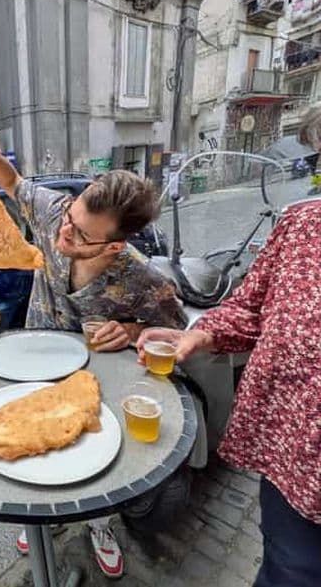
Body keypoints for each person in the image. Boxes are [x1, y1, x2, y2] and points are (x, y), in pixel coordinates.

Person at [0, 140, 187, 579]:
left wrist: (131, 331)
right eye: (71, 219)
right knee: (38, 457)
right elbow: (12, 183)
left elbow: (178, 334)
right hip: (30, 368)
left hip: (92, 390)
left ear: (113, 247)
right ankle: (47, 520)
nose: (64, 234)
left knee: (87, 465)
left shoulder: (142, 278)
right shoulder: (57, 214)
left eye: (82, 235)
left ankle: (99, 525)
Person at [136, 120, 321, 587]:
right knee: (287, 567)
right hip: (292, 452)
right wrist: (201, 334)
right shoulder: (302, 225)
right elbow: (251, 307)